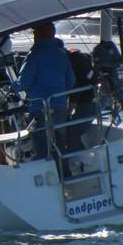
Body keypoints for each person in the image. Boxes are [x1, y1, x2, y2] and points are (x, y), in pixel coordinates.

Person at [14, 22, 75, 160]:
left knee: (41, 147)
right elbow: (70, 81)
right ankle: (65, 174)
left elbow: (23, 83)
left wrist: (11, 86)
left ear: (40, 35)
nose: (34, 35)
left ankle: (48, 177)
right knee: (59, 144)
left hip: (40, 108)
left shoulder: (35, 55)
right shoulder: (61, 54)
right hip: (59, 105)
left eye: (35, 32)